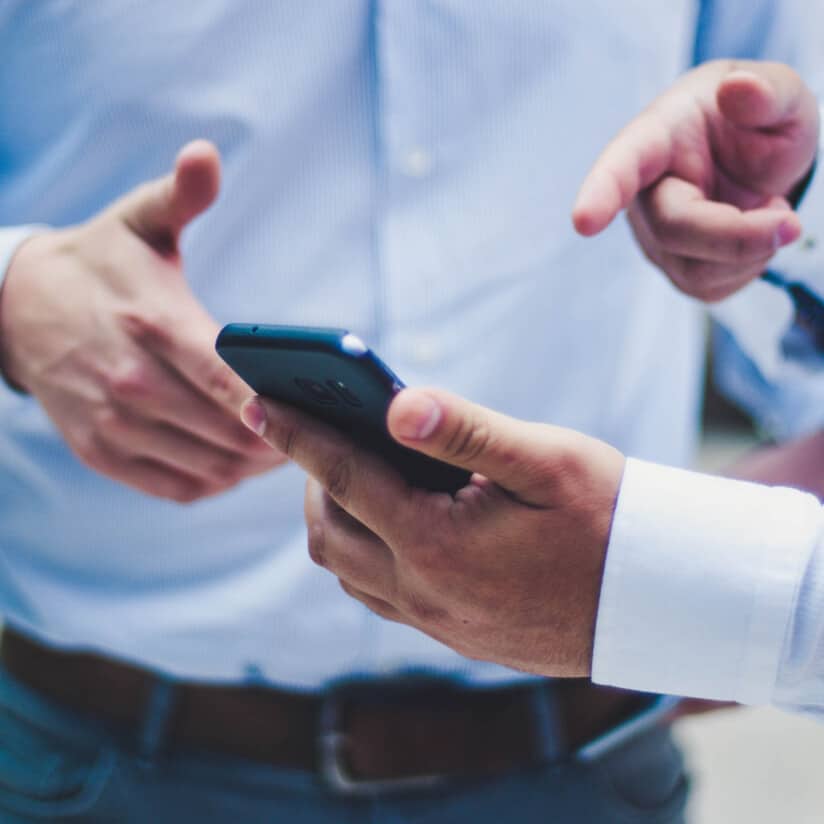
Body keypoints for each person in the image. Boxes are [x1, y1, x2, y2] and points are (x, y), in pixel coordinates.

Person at [0, 3, 820, 823]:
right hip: (99, 754)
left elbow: (784, 181)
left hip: (581, 762)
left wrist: (704, 599)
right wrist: (14, 291)